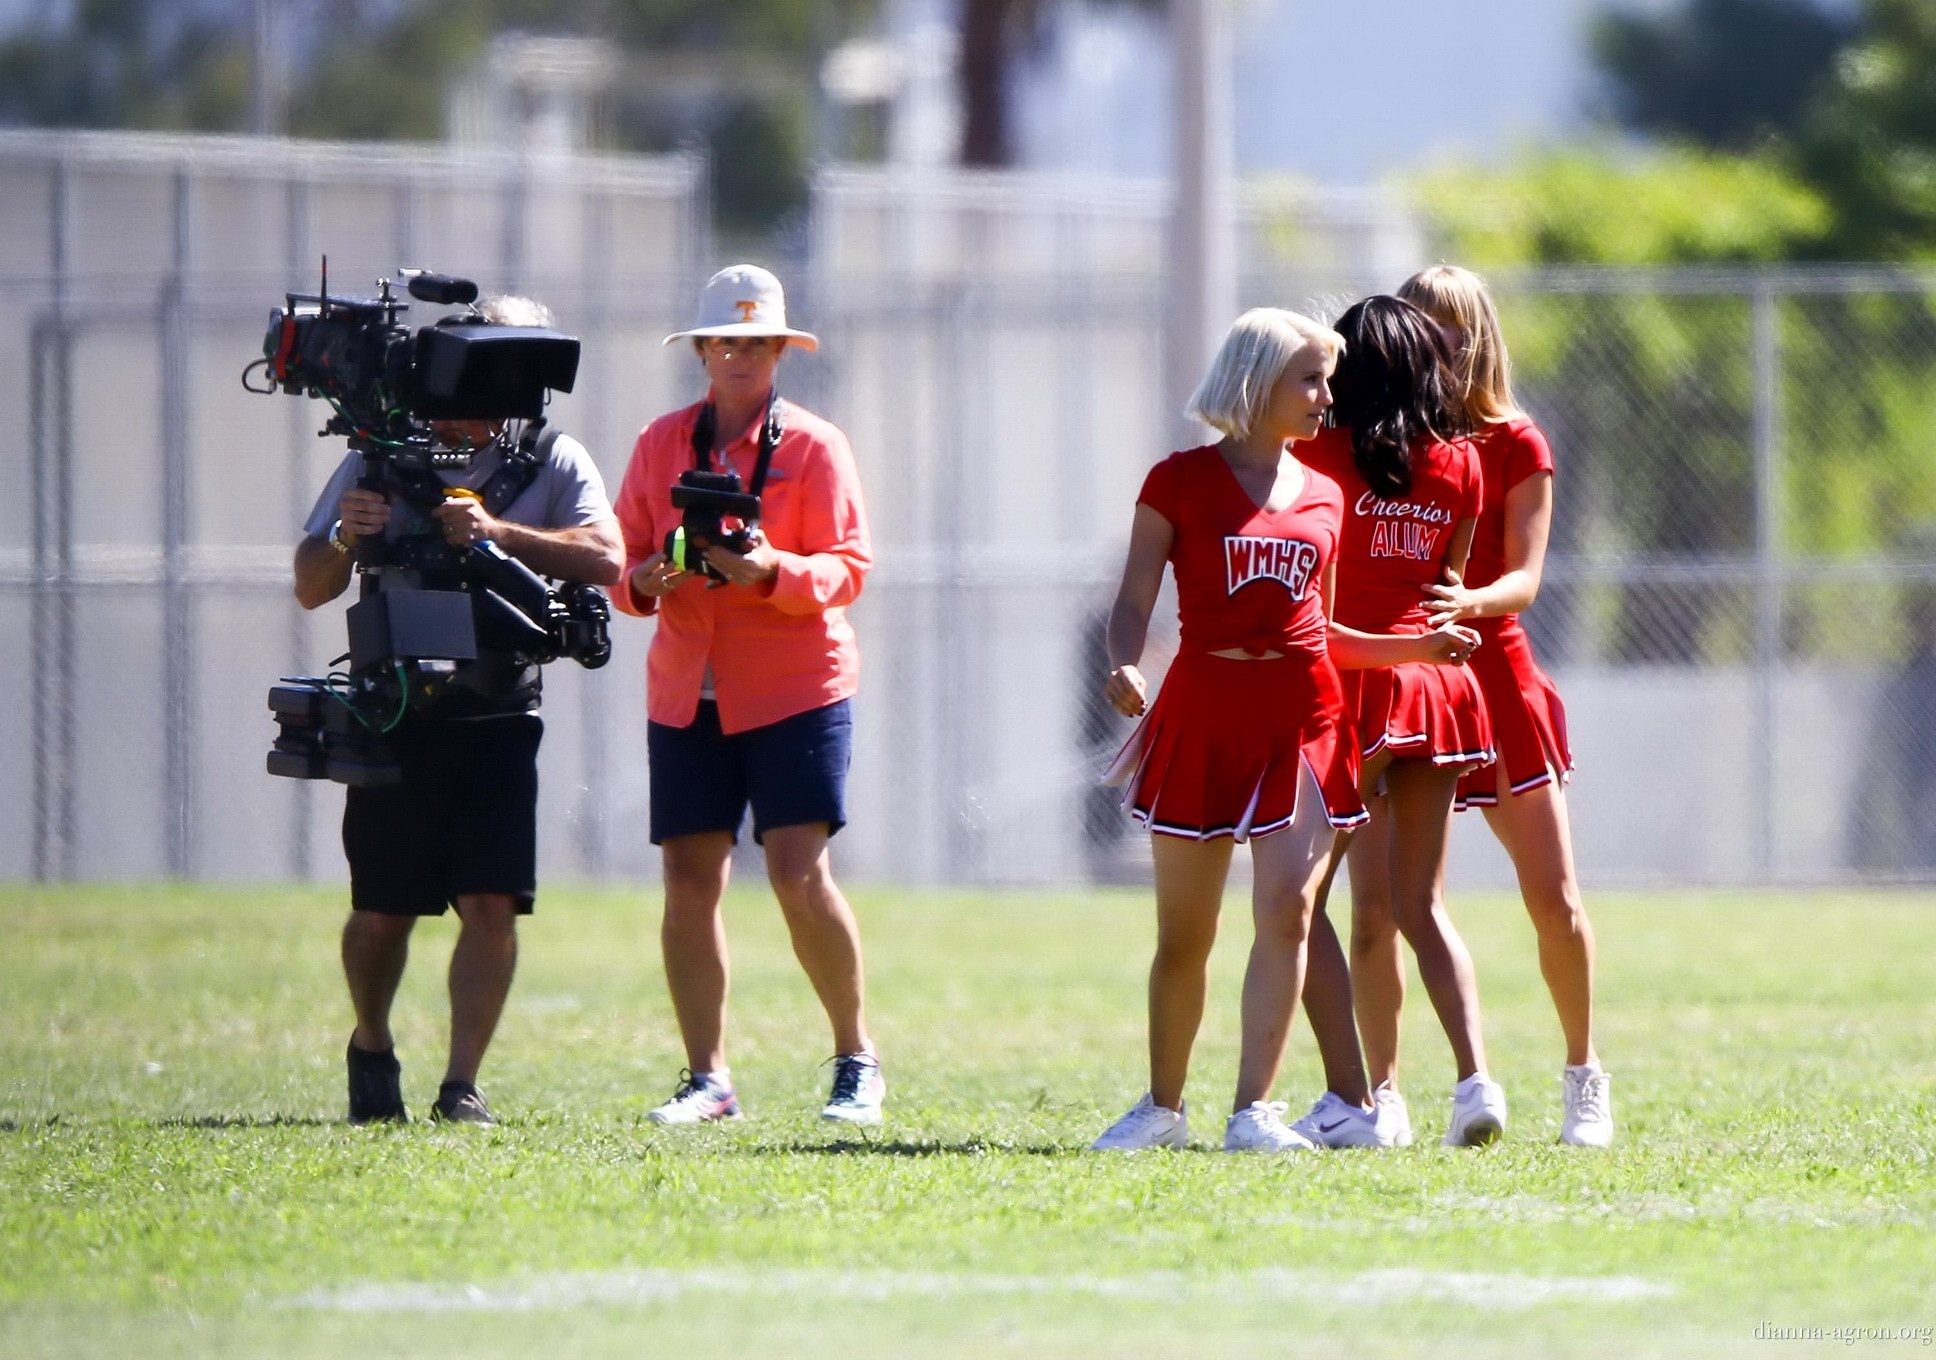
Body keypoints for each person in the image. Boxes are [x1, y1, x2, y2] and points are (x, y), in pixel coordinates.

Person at [1091, 308, 1480, 1154]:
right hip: (1201, 713)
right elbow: (1130, 605)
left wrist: (1422, 645)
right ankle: (1162, 1108)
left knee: (1288, 911)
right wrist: (1125, 665)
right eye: (1310, 378)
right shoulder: (1177, 481)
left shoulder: (1327, 493)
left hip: (1305, 720)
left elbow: (1327, 635)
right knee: (1184, 937)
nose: (1326, 396)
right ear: (1256, 379)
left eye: (1328, 378)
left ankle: (1253, 1113)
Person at [293, 294, 625, 1127]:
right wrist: (346, 534)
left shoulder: (552, 458)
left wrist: (501, 534)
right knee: (381, 910)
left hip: (500, 714)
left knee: (492, 902)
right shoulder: (381, 456)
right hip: (396, 708)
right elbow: (308, 582)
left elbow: (608, 558)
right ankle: (371, 1042)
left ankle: (460, 1084)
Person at [612, 264, 882, 1126]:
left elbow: (849, 567)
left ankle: (856, 1059)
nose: (740, 354)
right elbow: (620, 562)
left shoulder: (814, 445)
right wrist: (647, 579)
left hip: (796, 688)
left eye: (757, 341)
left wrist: (771, 571)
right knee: (690, 881)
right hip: (687, 689)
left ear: (780, 350)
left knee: (799, 876)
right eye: (724, 340)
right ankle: (708, 1078)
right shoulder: (660, 442)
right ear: (700, 350)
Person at [1397, 264, 1613, 1147]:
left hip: (1500, 686)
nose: (1430, 342)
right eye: (1415, 323)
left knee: (1554, 898)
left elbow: (1524, 578)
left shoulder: (1516, 439)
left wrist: (1464, 601)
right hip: (1416, 687)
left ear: (1475, 334)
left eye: (1445, 326)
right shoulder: (1385, 439)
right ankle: (1419, 1091)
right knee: (1403, 902)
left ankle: (1584, 1076)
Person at [1292, 294, 1504, 1149]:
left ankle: (1358, 1100)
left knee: (1296, 905)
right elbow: (1449, 592)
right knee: (1420, 905)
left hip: (1352, 688)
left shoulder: (1318, 456)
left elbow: (1320, 596)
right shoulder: (1462, 464)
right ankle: (1475, 1081)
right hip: (1441, 691)